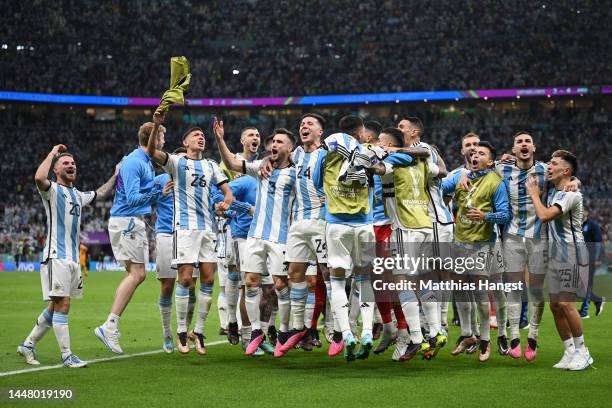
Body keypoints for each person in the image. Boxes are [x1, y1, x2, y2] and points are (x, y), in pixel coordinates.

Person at [18, 144, 117, 367]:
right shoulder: (51, 190)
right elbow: (38, 177)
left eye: (73, 163)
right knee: (63, 304)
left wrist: (115, 175)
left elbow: (100, 193)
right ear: (56, 169)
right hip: (56, 256)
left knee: (56, 306)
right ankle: (67, 355)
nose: (71, 165)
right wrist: (53, 154)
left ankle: (28, 345)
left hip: (72, 260)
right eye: (66, 163)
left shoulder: (78, 195)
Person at [147, 109, 233, 355]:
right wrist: (156, 126)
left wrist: (225, 202)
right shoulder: (176, 163)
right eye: (195, 135)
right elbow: (152, 152)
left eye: (202, 135)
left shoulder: (211, 165)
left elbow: (228, 192)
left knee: (207, 279)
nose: (200, 137)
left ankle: (199, 331)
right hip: (184, 229)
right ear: (185, 143)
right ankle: (182, 331)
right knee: (185, 279)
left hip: (208, 229)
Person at [214, 119, 296, 357]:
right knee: (250, 282)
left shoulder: (296, 173)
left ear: (290, 148)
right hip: (254, 236)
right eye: (273, 142)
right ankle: (256, 332)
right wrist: (219, 139)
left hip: (280, 238)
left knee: (279, 286)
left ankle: (282, 332)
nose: (274, 144)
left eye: (280, 142)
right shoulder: (260, 167)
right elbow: (230, 162)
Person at [95, 118, 166, 354]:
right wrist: (158, 191)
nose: (164, 143)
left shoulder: (142, 162)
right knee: (137, 274)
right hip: (127, 221)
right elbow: (133, 198)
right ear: (154, 139)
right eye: (162, 138)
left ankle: (111, 325)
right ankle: (110, 325)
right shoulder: (135, 162)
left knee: (135, 274)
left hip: (128, 221)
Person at [443, 141, 511, 362]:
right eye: (473, 152)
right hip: (460, 243)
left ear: (490, 161)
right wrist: (457, 177)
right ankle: (467, 334)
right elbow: (439, 187)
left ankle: (492, 337)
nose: (475, 155)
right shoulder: (461, 176)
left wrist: (485, 217)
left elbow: (505, 214)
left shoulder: (496, 182)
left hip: (486, 244)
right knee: (460, 290)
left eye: (481, 153)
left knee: (488, 293)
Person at [526, 150, 593, 370]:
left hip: (572, 253)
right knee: (555, 306)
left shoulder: (571, 194)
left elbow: (545, 216)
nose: (549, 167)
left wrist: (534, 195)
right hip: (555, 255)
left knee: (565, 303)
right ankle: (569, 351)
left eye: (553, 164)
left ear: (566, 171)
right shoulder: (554, 191)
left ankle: (583, 352)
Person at [153, 147, 186, 353]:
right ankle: (167, 333)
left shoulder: (196, 180)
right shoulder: (160, 179)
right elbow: (141, 196)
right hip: (166, 234)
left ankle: (186, 333)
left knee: (189, 283)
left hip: (189, 234)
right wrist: (160, 192)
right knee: (167, 286)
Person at [579, 207, 605, 318]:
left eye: (582, 210)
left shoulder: (592, 225)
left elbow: (598, 243)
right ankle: (597, 300)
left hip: (590, 258)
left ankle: (584, 311)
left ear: (587, 212)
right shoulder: (577, 225)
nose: (580, 212)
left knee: (587, 284)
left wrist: (597, 259)